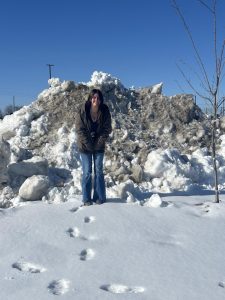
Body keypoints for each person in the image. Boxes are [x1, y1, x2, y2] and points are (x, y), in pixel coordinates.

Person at [75, 88, 112, 206]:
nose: (96, 99)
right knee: (87, 172)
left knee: (99, 171)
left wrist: (98, 144)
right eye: (94, 97)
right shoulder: (82, 111)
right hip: (85, 146)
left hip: (99, 146)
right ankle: (86, 199)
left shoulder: (105, 110)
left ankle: (99, 197)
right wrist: (89, 145)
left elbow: (107, 129)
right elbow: (80, 130)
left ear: (101, 100)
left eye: (98, 98)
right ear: (90, 99)